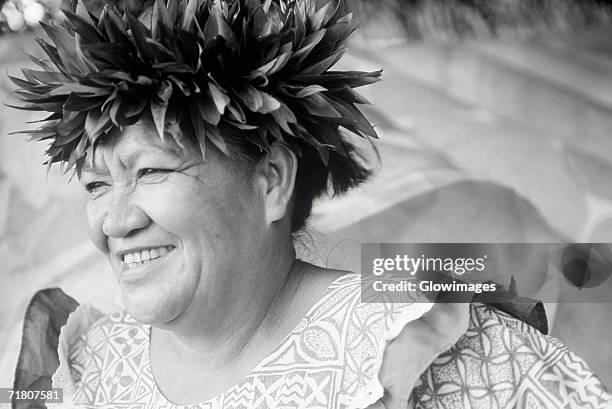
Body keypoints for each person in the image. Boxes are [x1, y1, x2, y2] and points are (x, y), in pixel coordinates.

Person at [9, 0, 612, 408]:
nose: (114, 221)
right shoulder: (75, 363)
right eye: (95, 184)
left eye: (152, 171)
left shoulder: (442, 353)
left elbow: (571, 272)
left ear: (271, 180)